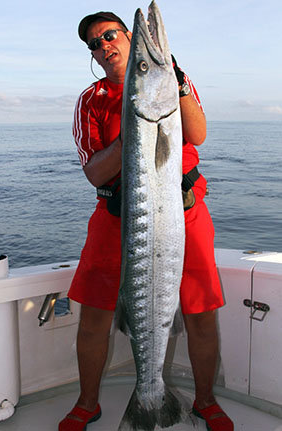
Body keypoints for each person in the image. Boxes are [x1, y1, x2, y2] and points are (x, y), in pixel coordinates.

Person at [58, 10, 234, 431]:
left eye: (110, 35)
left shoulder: (173, 84)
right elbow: (93, 172)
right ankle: (88, 403)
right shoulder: (92, 100)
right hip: (115, 217)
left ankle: (204, 401)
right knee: (96, 313)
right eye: (94, 44)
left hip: (184, 214)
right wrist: (134, 133)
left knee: (201, 312)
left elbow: (199, 133)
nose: (104, 47)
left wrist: (169, 81)